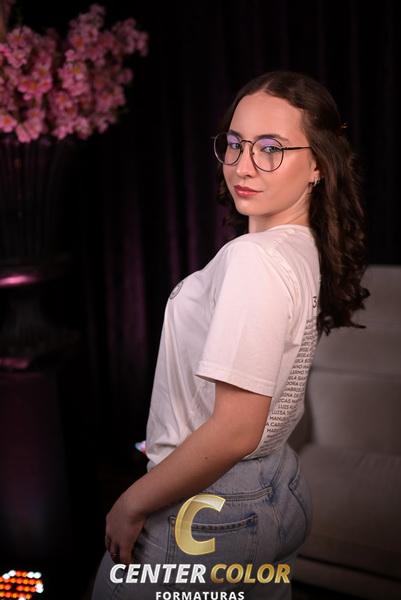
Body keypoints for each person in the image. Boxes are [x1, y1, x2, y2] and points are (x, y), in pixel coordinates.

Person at [91, 69, 370, 599]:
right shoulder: (302, 246)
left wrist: (132, 502)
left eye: (271, 149)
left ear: (318, 164)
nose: (243, 166)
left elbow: (238, 430)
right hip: (275, 484)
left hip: (206, 511)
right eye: (236, 144)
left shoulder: (254, 259)